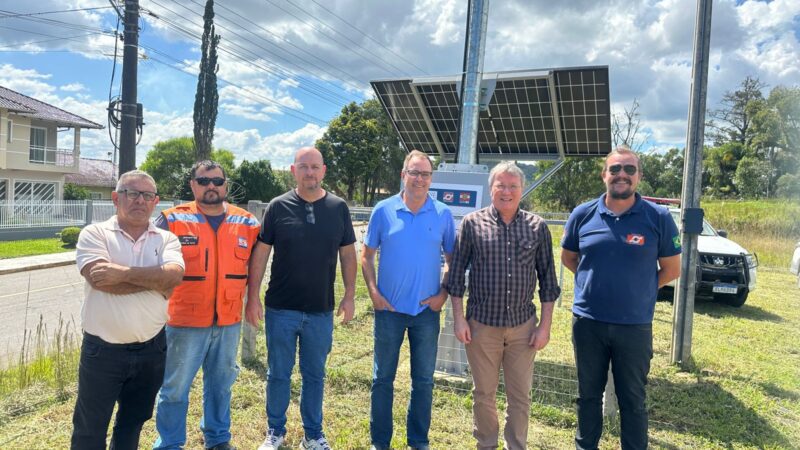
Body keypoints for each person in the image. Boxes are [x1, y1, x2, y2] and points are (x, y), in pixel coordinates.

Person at [561, 146, 682, 450]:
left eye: (629, 169)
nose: (621, 175)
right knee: (588, 396)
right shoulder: (582, 214)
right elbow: (569, 258)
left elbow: (672, 268)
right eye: (615, 169)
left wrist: (641, 289)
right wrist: (594, 283)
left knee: (633, 400)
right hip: (588, 323)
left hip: (634, 326)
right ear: (604, 175)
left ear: (639, 176)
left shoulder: (658, 217)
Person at [245, 147, 357, 450]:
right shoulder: (278, 206)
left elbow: (348, 255)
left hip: (320, 310)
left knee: (315, 376)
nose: (310, 172)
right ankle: (275, 431)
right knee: (278, 374)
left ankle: (313, 434)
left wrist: (349, 295)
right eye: (304, 166)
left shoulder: (338, 208)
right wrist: (252, 297)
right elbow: (261, 254)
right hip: (281, 308)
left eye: (315, 167)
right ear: (294, 171)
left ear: (323, 171)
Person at [447, 161, 561, 450]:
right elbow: (456, 276)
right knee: (483, 394)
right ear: (491, 189)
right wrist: (459, 319)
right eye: (501, 185)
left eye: (513, 186)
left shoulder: (537, 227)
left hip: (523, 328)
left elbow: (549, 281)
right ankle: (486, 444)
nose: (507, 192)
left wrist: (544, 327)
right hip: (481, 326)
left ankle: (516, 446)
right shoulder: (472, 224)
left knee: (520, 396)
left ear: (522, 189)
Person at [72, 170, 185, 450]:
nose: (140, 201)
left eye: (147, 195)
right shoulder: (95, 233)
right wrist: (156, 282)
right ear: (116, 198)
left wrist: (121, 273)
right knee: (90, 428)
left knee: (132, 423)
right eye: (132, 193)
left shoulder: (167, 239)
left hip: (152, 349)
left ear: (155, 201)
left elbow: (174, 277)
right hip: (103, 352)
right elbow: (99, 280)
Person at [153, 161, 260, 450]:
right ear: (193, 185)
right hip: (184, 322)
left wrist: (254, 300)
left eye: (217, 181)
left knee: (221, 385)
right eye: (203, 181)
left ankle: (218, 438)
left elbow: (258, 266)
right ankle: (170, 443)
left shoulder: (248, 223)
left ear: (226, 185)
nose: (211, 186)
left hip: (229, 321)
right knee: (175, 388)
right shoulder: (171, 220)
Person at [362, 150, 456, 450]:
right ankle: (380, 442)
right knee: (382, 378)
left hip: (426, 313)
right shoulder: (383, 210)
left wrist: (443, 294)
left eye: (425, 174)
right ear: (403, 175)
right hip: (388, 311)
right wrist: (374, 293)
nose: (419, 179)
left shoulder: (442, 214)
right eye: (414, 173)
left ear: (431, 178)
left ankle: (418, 442)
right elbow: (366, 256)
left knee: (424, 381)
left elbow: (452, 260)